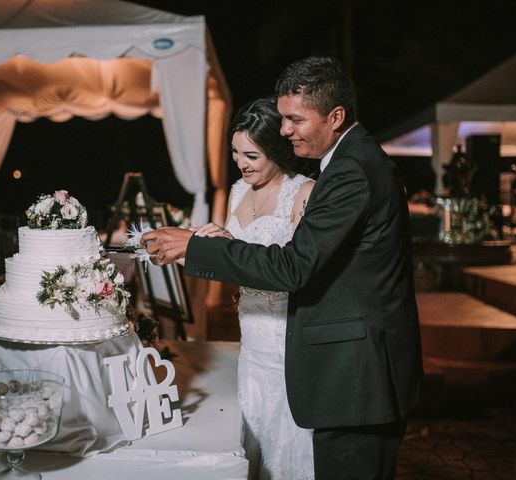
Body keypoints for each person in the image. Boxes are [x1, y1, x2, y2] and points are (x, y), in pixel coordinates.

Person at [142, 56, 423, 479]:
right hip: (347, 372)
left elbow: (293, 267)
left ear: (335, 116)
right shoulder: (352, 161)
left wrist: (196, 248)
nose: (285, 128)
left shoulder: (353, 172)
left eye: (295, 119)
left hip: (357, 379)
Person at [196, 96, 315, 479]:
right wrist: (218, 245)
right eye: (235, 152)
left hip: (287, 334)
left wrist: (231, 248)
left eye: (251, 155)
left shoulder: (303, 193)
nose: (241, 163)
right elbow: (237, 263)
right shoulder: (235, 192)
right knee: (256, 431)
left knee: (291, 441)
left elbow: (300, 270)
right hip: (251, 334)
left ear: (277, 150)